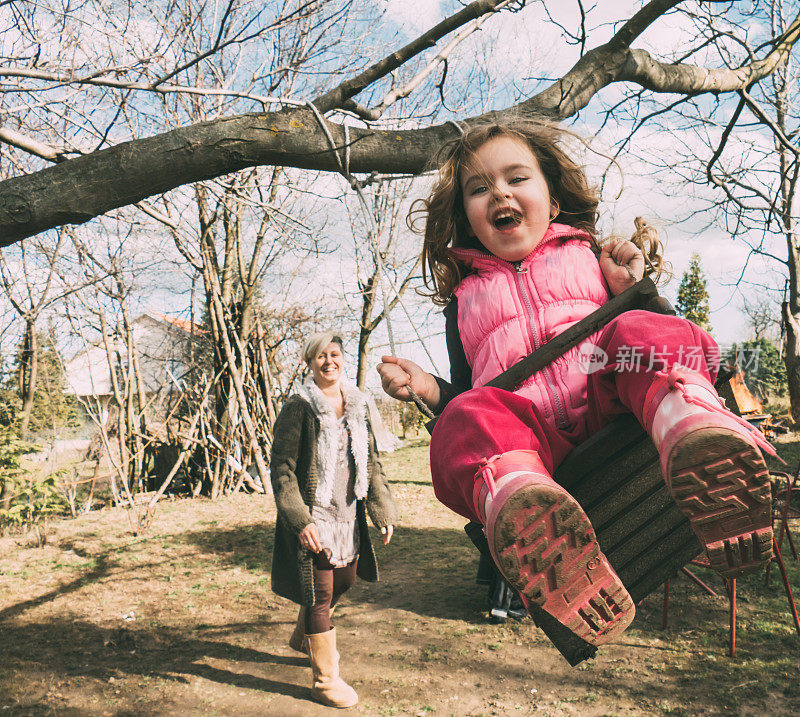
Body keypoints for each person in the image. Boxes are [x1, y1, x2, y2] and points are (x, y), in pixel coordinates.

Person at [377, 119, 775, 648]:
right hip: (537, 443)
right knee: (466, 415)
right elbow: (469, 393)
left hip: (615, 407)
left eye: (516, 178)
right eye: (479, 188)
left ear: (553, 199)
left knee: (639, 331)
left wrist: (631, 290)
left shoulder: (589, 259)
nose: (499, 192)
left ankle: (688, 425)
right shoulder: (463, 304)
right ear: (467, 218)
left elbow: (661, 333)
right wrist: (429, 389)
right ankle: (526, 504)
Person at [271, 331, 397, 708]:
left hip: (349, 515)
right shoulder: (300, 407)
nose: (329, 361)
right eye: (320, 356)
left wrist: (381, 509)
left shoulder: (358, 403)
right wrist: (300, 520)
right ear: (310, 364)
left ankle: (304, 633)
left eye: (335, 354)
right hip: (316, 518)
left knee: (345, 580)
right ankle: (325, 679)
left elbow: (370, 463)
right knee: (322, 594)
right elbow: (282, 470)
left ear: (343, 358)